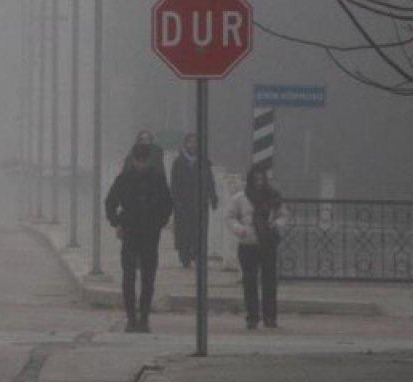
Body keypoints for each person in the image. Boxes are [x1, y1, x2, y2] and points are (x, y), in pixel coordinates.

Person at [106, 142, 173, 333]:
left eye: (144, 160)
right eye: (139, 160)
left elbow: (168, 204)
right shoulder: (124, 179)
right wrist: (117, 222)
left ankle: (144, 317)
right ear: (134, 160)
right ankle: (131, 318)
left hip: (150, 234)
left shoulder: (157, 179)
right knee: (128, 276)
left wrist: (159, 222)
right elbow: (110, 203)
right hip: (130, 232)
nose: (141, 164)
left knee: (148, 277)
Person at [228, 166, 288, 330]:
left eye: (262, 179)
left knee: (269, 282)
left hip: (268, 243)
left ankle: (270, 317)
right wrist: (240, 229)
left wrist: (275, 224)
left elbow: (283, 215)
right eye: (256, 180)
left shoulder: (273, 197)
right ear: (250, 180)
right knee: (250, 283)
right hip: (248, 243)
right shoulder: (240, 198)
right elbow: (231, 217)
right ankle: (252, 317)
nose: (259, 183)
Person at [170, 134, 217, 269]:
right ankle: (185, 256)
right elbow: (174, 183)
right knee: (184, 231)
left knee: (200, 231)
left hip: (200, 203)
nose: (193, 145)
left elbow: (209, 180)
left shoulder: (204, 161)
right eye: (190, 142)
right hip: (183, 204)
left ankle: (198, 255)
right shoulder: (178, 162)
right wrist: (175, 200)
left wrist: (213, 197)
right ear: (186, 144)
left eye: (196, 142)